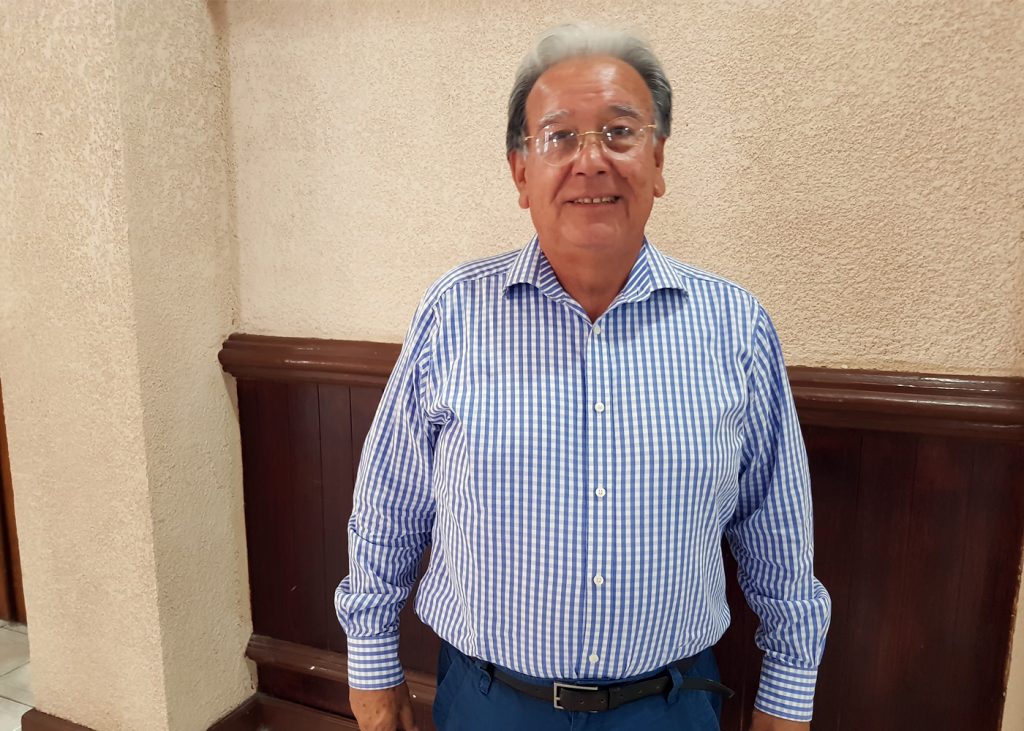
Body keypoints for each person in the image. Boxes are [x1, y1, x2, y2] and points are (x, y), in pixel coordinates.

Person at [336, 22, 831, 731]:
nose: (591, 160)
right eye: (560, 136)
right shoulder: (454, 314)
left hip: (669, 707)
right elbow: (390, 505)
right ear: (520, 172)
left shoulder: (735, 327)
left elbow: (777, 533)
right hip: (490, 702)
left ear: (658, 160)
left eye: (620, 132)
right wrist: (370, 666)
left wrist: (788, 692)